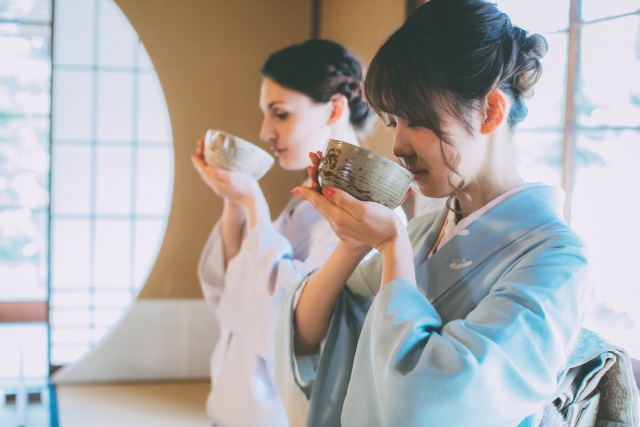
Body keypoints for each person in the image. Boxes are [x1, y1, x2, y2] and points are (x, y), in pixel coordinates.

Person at [276, 1, 595, 426]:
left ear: (490, 112)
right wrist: (352, 246)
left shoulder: (558, 259)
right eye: (393, 122)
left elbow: (427, 401)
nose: (399, 145)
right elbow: (310, 336)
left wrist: (391, 246)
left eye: (418, 120)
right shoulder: (423, 231)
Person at [191, 40, 372, 427]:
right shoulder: (309, 198)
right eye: (265, 115)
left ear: (335, 109)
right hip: (234, 405)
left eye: (281, 114)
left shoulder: (365, 215)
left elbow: (284, 326)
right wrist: (234, 200)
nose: (265, 132)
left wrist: (254, 203)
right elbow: (232, 285)